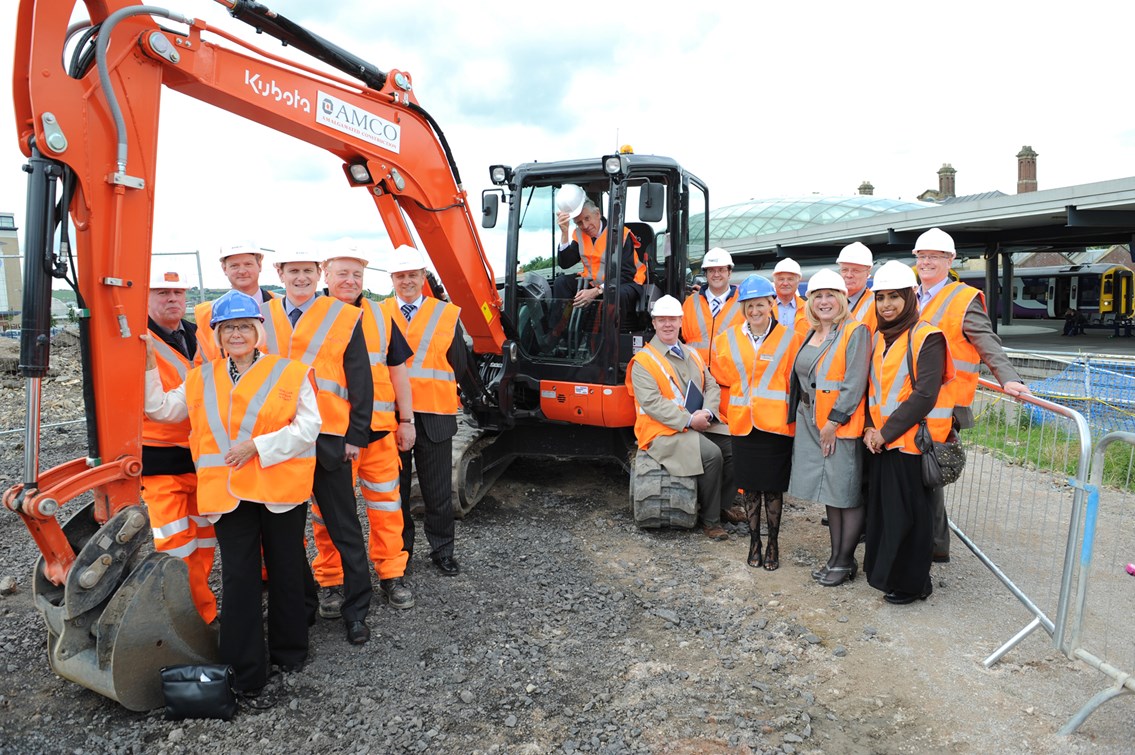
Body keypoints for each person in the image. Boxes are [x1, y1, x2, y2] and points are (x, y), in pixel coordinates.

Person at [143, 289, 320, 697]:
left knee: (286, 569)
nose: (236, 334)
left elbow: (308, 427)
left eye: (244, 326)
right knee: (239, 579)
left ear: (258, 331)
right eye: (228, 329)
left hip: (279, 491)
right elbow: (163, 410)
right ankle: (246, 670)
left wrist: (257, 447)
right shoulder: (200, 377)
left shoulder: (290, 372)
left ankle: (290, 652)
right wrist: (150, 367)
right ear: (217, 336)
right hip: (228, 494)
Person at [262, 249, 374, 645]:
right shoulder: (263, 315)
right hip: (280, 441)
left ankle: (357, 610)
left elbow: (361, 379)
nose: (301, 278)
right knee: (286, 536)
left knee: (345, 530)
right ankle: (302, 609)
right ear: (280, 272)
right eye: (293, 271)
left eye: (308, 271)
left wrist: (356, 437)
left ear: (318, 273)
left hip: (329, 440)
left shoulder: (344, 316)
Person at [913, 227, 1029, 563]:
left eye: (934, 256)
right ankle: (924, 539)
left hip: (944, 404)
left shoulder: (963, 298)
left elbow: (986, 341)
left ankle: (935, 545)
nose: (926, 262)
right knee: (913, 470)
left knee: (928, 472)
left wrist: (1008, 378)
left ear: (949, 260)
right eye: (922, 256)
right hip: (910, 400)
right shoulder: (911, 294)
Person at [311, 247, 418, 610]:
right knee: (327, 516)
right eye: (342, 273)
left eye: (356, 275)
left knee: (388, 508)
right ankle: (332, 580)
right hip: (331, 436)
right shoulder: (310, 316)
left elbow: (398, 371)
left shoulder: (379, 316)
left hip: (379, 433)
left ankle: (391, 575)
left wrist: (406, 420)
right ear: (325, 275)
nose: (350, 281)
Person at [862, 260, 955, 604]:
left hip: (910, 444)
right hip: (883, 443)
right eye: (881, 297)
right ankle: (894, 577)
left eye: (894, 297)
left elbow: (925, 394)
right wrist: (871, 429)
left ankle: (913, 584)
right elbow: (875, 390)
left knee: (911, 518)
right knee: (889, 515)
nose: (886, 305)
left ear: (911, 296)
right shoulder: (881, 337)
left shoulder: (927, 336)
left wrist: (884, 433)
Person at [381, 245, 465, 577]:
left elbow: (459, 362)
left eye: (412, 275)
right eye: (401, 276)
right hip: (390, 415)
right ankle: (401, 552)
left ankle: (442, 550)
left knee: (438, 492)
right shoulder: (377, 312)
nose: (407, 281)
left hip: (434, 415)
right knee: (395, 492)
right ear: (392, 279)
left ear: (422, 277)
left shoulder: (445, 314)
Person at [712, 275, 804, 570]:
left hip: (776, 427)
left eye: (761, 304)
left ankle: (774, 543)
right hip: (743, 426)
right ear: (743, 307)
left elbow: (796, 382)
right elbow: (724, 376)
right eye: (749, 306)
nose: (755, 311)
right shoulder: (726, 339)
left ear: (772, 304)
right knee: (750, 488)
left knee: (773, 489)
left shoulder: (791, 339)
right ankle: (755, 542)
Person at [627, 295, 734, 541]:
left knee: (735, 446)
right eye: (662, 320)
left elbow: (711, 386)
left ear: (680, 321)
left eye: (672, 319)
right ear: (653, 323)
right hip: (661, 430)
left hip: (695, 423)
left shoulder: (692, 353)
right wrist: (689, 420)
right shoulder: (644, 361)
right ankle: (710, 521)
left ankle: (720, 506)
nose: (667, 324)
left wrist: (707, 412)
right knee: (712, 455)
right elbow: (653, 404)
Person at [141, 270, 215, 623]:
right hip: (159, 460)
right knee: (176, 547)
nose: (172, 299)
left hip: (199, 456)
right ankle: (190, 621)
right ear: (146, 297)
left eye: (177, 292)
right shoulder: (136, 342)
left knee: (203, 541)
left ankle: (201, 611)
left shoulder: (197, 334)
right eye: (162, 293)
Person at [788, 269, 870, 587]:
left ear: (842, 300)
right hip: (813, 420)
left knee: (845, 492)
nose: (824, 302)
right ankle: (837, 559)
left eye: (830, 296)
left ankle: (845, 560)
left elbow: (854, 382)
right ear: (810, 302)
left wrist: (834, 422)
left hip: (839, 424)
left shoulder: (854, 331)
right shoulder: (811, 333)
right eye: (818, 296)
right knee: (830, 495)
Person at [681, 247, 745, 524]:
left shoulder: (745, 302)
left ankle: (722, 504)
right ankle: (700, 503)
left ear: (730, 272)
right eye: (711, 270)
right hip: (697, 386)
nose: (716, 274)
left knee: (735, 448)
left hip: (730, 388)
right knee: (702, 447)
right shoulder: (690, 303)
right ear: (705, 274)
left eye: (721, 269)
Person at [551, 184, 647, 315]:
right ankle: (559, 330)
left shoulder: (621, 235)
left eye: (587, 218)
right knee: (561, 283)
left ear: (597, 214)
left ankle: (610, 333)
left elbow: (626, 275)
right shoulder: (579, 234)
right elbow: (565, 263)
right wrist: (564, 233)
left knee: (617, 294)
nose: (584, 226)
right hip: (595, 282)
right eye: (579, 222)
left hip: (627, 282)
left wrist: (596, 291)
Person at [196, 244, 277, 362]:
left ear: (259, 265)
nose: (242, 271)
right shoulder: (206, 313)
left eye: (248, 264)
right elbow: (202, 362)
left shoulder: (282, 306)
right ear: (224, 268)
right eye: (234, 266)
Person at [838, 242, 877, 332]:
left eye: (855, 271)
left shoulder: (876, 304)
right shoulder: (831, 301)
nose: (849, 275)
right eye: (844, 270)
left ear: (868, 273)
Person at [772, 258, 809, 334]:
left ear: (798, 281)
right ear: (775, 281)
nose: (785, 283)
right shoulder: (765, 307)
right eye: (781, 279)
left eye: (790, 279)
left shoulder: (808, 308)